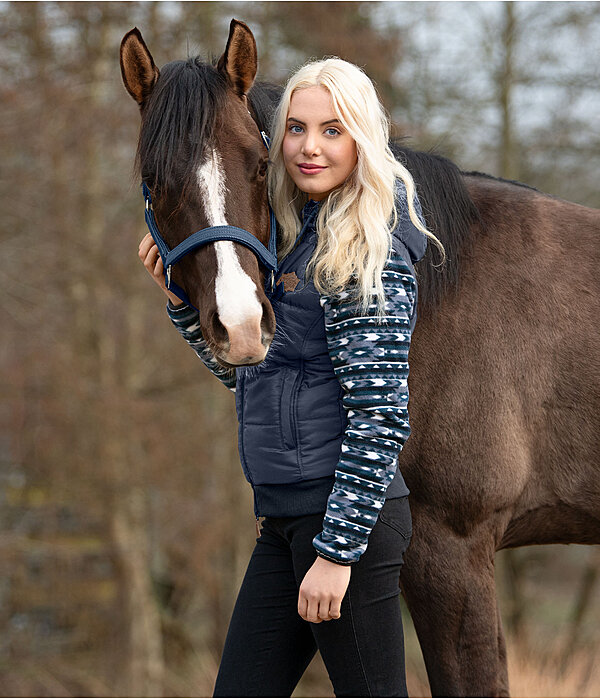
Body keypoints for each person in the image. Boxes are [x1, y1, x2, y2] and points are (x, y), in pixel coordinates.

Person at [138, 58, 444, 697]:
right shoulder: (289, 244)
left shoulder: (365, 251)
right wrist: (183, 310)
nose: (309, 147)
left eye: (333, 130)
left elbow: (382, 416)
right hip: (283, 518)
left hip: (343, 523)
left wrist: (336, 555)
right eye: (297, 129)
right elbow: (257, 382)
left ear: (362, 140)